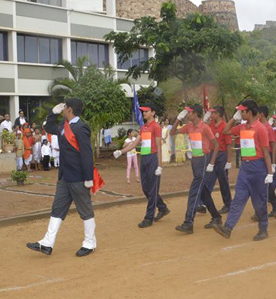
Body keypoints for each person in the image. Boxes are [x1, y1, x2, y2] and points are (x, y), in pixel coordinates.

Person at [27, 98, 97, 257]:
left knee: (85, 210)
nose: (62, 109)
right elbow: (47, 127)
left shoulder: (81, 127)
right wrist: (53, 113)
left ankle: (90, 242)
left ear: (70, 109)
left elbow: (87, 154)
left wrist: (88, 177)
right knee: (57, 208)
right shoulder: (62, 125)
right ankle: (47, 242)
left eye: (64, 107)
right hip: (65, 176)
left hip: (79, 177)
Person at [212, 100, 271, 240]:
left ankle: (263, 229)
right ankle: (228, 228)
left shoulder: (261, 129)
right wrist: (234, 118)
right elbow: (226, 131)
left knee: (259, 202)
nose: (240, 114)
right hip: (245, 167)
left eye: (242, 112)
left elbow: (266, 152)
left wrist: (270, 173)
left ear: (249, 112)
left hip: (258, 167)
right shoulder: (242, 127)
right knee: (238, 198)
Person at [113, 104, 170, 228]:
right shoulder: (143, 127)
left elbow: (159, 146)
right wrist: (121, 152)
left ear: (153, 112)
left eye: (146, 111)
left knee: (152, 189)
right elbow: (134, 144)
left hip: (152, 159)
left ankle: (149, 218)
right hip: (144, 159)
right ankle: (162, 207)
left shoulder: (156, 127)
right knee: (146, 189)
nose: (144, 113)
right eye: (143, 111)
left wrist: (160, 165)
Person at [171, 104, 222, 234]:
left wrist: (211, 163)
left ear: (196, 114)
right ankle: (216, 217)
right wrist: (178, 119)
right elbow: (172, 132)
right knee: (203, 191)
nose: (188, 114)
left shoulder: (204, 128)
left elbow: (216, 145)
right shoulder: (189, 126)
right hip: (195, 160)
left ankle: (188, 222)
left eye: (190, 112)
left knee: (194, 192)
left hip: (204, 160)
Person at [206, 106, 233, 214]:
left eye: (213, 113)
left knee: (223, 181)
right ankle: (204, 202)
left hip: (222, 155)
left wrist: (229, 161)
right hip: (212, 154)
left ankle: (228, 204)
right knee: (208, 179)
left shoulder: (224, 126)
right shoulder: (211, 125)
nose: (211, 115)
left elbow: (229, 145)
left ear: (219, 114)